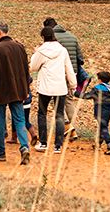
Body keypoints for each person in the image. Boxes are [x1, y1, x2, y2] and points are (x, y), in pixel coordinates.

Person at [0, 22, 31, 165]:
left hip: (1, 91)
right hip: (18, 89)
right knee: (19, 120)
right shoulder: (19, 47)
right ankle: (24, 147)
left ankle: (0, 152)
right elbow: (26, 69)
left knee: (0, 121)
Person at [29, 26, 76, 154]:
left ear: (43, 37)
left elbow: (32, 67)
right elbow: (69, 68)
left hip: (45, 87)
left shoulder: (41, 51)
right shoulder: (62, 50)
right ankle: (58, 146)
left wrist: (35, 52)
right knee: (59, 115)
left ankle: (43, 143)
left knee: (42, 114)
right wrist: (73, 84)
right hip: (60, 87)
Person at [46, 17, 86, 139]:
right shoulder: (72, 37)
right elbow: (81, 59)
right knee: (68, 100)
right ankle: (73, 127)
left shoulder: (53, 39)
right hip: (72, 73)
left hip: (58, 73)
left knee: (56, 100)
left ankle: (67, 127)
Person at [84, 71, 110, 154]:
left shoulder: (97, 89)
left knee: (103, 128)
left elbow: (87, 96)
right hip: (108, 112)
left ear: (100, 80)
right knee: (103, 126)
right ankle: (98, 144)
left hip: (99, 112)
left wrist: (75, 93)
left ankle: (109, 145)